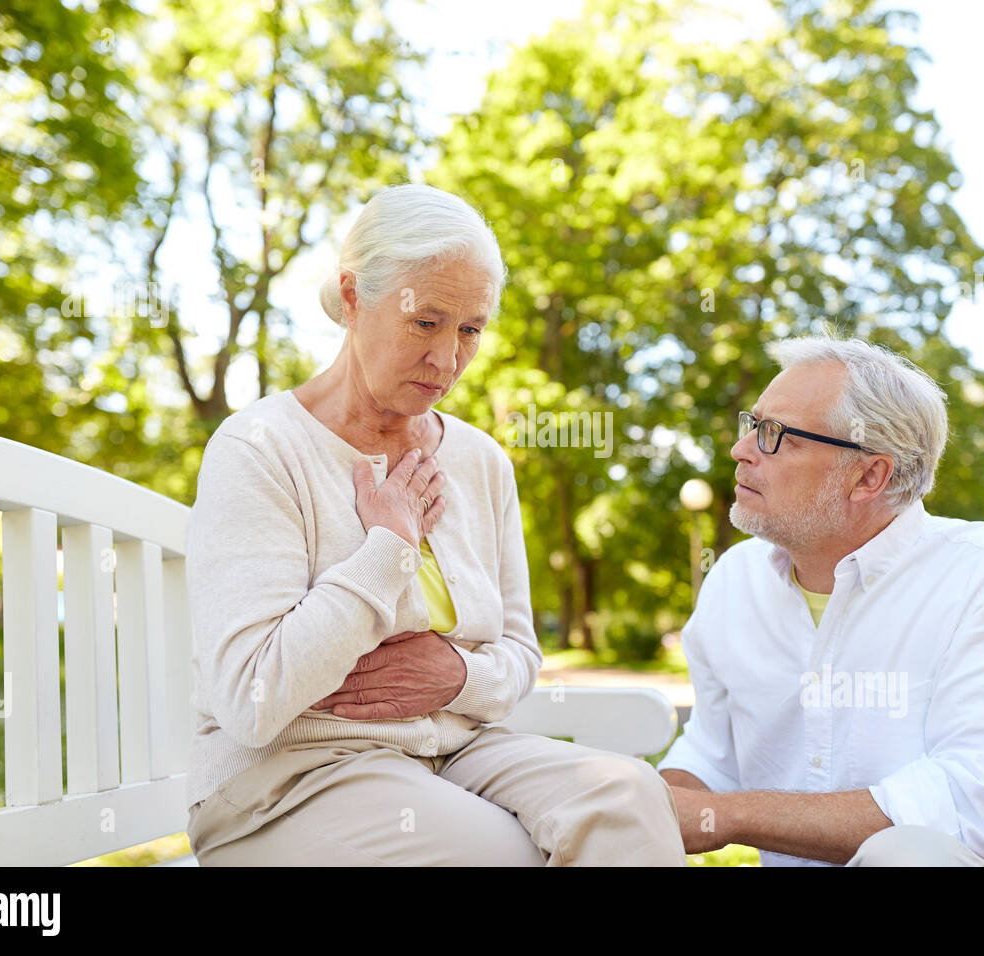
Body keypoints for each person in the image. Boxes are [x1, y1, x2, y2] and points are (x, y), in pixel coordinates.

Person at [184, 183, 684, 866]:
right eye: (427, 322)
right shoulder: (261, 450)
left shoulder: (480, 460)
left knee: (629, 797)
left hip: (455, 750)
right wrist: (388, 547)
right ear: (353, 296)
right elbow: (252, 698)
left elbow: (519, 655)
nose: (449, 359)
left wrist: (456, 676)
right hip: (292, 779)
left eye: (471, 329)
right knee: (498, 853)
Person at [657, 335, 984, 866]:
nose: (742, 450)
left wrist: (730, 817)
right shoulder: (733, 579)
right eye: (751, 424)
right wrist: (640, 805)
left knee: (907, 855)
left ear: (869, 476)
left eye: (775, 435)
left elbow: (970, 808)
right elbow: (711, 757)